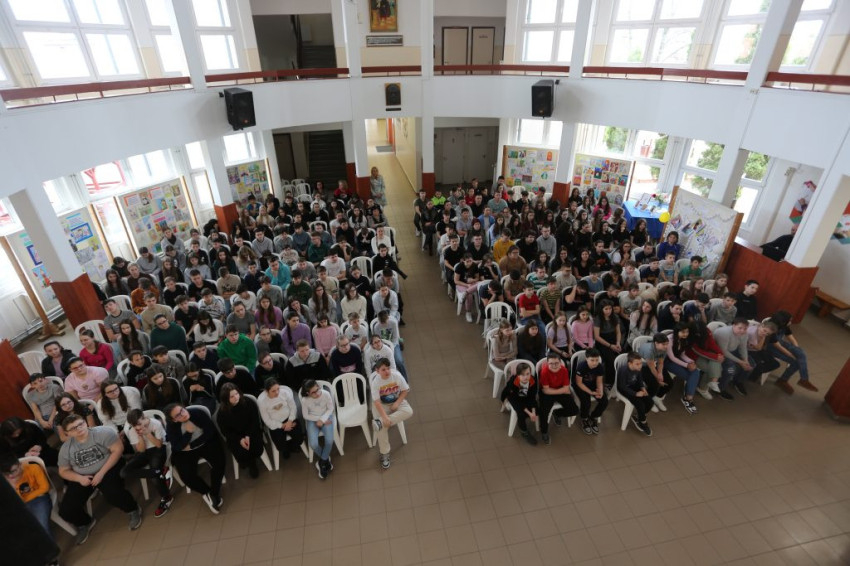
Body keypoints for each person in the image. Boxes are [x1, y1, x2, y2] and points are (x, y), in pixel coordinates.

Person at [58, 414, 142, 544]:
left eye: (81, 424)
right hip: (83, 476)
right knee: (66, 510)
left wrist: (101, 473)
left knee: (112, 493)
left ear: (85, 423)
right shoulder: (66, 448)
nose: (79, 428)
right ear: (67, 433)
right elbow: (63, 471)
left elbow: (118, 450)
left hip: (108, 466)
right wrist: (79, 478)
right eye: (73, 428)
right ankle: (85, 522)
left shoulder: (103, 433)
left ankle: (133, 509)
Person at [165, 403, 225, 515]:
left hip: (205, 443)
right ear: (174, 420)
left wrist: (193, 445)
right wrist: (188, 433)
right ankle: (206, 491)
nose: (183, 414)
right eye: (178, 415)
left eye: (182, 410)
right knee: (186, 476)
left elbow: (210, 432)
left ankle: (214, 493)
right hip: (185, 451)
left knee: (219, 463)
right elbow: (178, 446)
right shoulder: (171, 427)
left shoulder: (197, 413)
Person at [121, 409, 173, 518]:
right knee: (124, 472)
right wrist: (140, 437)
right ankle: (158, 472)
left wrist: (147, 433)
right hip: (145, 451)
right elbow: (141, 450)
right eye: (134, 425)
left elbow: (159, 445)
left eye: (139, 423)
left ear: (144, 417)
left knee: (154, 477)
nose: (137, 427)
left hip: (159, 449)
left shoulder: (156, 424)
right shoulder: (132, 430)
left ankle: (167, 497)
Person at [1, 452, 55, 542]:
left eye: (13, 471)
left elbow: (45, 487)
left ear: (19, 464)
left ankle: (51, 549)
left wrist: (25, 498)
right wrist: (14, 486)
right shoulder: (7, 480)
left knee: (41, 527)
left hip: (39, 500)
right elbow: (14, 502)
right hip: (22, 504)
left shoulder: (33, 468)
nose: (11, 475)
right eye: (6, 473)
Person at [370, 359, 413, 469]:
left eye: (388, 368)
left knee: (409, 411)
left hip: (396, 401)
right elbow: (377, 402)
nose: (387, 371)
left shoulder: (396, 376)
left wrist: (397, 403)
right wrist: (384, 417)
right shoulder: (375, 382)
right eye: (383, 369)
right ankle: (385, 453)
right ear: (377, 371)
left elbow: (405, 390)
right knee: (382, 428)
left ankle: (379, 422)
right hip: (382, 405)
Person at [216, 383, 265, 479]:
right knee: (241, 451)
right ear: (226, 399)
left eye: (236, 394)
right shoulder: (222, 413)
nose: (236, 397)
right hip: (236, 437)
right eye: (232, 396)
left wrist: (247, 436)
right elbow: (226, 431)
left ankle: (252, 464)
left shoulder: (248, 402)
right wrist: (240, 439)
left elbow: (255, 421)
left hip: (251, 432)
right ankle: (249, 463)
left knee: (254, 447)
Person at [768, 310, 817, 395]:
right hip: (772, 347)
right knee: (796, 362)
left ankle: (804, 379)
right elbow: (777, 345)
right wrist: (790, 355)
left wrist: (796, 349)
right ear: (783, 321)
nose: (791, 322)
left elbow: (790, 337)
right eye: (789, 321)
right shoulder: (771, 328)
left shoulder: (784, 325)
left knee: (801, 353)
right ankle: (782, 381)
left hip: (780, 343)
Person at [537, 353, 579, 445]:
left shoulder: (564, 370)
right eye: (551, 363)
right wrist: (562, 391)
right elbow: (546, 390)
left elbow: (566, 388)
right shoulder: (544, 371)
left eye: (556, 363)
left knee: (574, 410)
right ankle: (544, 431)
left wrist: (562, 391)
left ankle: (557, 414)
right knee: (543, 412)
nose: (554, 365)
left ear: (560, 363)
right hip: (549, 393)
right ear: (547, 364)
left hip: (556, 390)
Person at [258, 378, 303, 463]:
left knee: (299, 438)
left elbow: (293, 407)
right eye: (273, 391)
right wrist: (282, 426)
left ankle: (292, 446)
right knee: (280, 445)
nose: (277, 392)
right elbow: (266, 420)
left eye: (278, 389)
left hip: (289, 418)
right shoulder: (262, 401)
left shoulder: (285, 393)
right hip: (275, 423)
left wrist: (290, 421)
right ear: (267, 391)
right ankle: (285, 449)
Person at [301, 379, 336, 479]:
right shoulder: (305, 400)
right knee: (313, 444)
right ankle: (325, 459)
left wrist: (323, 419)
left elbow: (330, 408)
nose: (317, 393)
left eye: (318, 389)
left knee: (329, 441)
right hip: (312, 420)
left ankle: (322, 462)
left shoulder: (325, 394)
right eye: (313, 392)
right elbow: (305, 415)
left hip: (326, 416)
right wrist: (319, 419)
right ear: (308, 393)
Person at [713, 318, 753, 400]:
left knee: (751, 364)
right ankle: (720, 389)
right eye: (740, 328)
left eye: (745, 328)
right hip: (719, 353)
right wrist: (741, 362)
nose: (742, 331)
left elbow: (743, 347)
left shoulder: (744, 334)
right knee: (730, 370)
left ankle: (738, 382)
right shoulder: (724, 333)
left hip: (733, 350)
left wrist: (745, 360)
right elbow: (724, 351)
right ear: (733, 325)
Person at [665, 323, 700, 414]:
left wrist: (691, 361)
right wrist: (686, 365)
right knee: (690, 376)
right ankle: (688, 399)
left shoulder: (683, 340)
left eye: (687, 332)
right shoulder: (669, 339)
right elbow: (672, 357)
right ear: (677, 331)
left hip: (678, 360)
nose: (685, 334)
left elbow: (682, 354)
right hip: (668, 362)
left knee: (695, 371)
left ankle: (688, 398)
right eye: (683, 332)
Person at [499, 364, 539, 445]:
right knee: (521, 414)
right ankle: (524, 431)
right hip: (513, 397)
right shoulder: (513, 383)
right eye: (522, 375)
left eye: (527, 374)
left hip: (526, 396)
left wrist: (533, 412)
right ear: (518, 375)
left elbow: (532, 397)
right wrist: (529, 413)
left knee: (538, 409)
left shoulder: (533, 381)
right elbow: (517, 402)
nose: (526, 377)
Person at [617, 352, 654, 436]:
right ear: (629, 363)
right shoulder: (623, 370)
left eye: (640, 363)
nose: (640, 366)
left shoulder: (638, 369)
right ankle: (642, 422)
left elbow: (640, 380)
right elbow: (622, 386)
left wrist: (643, 388)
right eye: (637, 364)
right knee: (640, 405)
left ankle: (639, 416)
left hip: (634, 386)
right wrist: (635, 394)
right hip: (625, 389)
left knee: (650, 402)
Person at [573, 348, 608, 434]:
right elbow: (579, 383)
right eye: (592, 360)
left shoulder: (600, 366)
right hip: (580, 385)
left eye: (597, 360)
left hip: (592, 384)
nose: (595, 363)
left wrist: (600, 391)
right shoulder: (581, 366)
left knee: (604, 401)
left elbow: (599, 381)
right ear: (586, 359)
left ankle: (594, 417)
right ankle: (584, 418)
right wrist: (590, 392)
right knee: (586, 402)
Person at [637, 332, 672, 412]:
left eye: (667, 344)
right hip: (642, 366)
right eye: (663, 344)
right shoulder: (649, 351)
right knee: (654, 384)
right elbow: (652, 368)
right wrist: (658, 379)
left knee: (669, 383)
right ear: (656, 343)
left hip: (654, 364)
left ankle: (657, 397)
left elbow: (660, 362)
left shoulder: (663, 349)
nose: (666, 346)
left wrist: (660, 373)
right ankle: (648, 401)